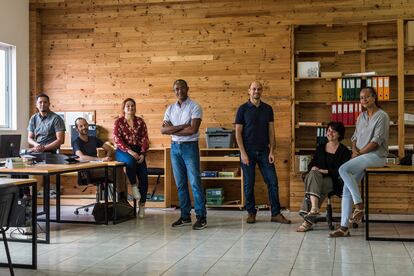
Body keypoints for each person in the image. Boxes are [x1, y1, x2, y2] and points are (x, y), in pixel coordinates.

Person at [330, 87, 389, 237]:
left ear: (374, 97)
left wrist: (359, 154)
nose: (363, 100)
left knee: (343, 170)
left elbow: (376, 142)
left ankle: (359, 205)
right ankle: (344, 228)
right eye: (361, 98)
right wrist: (355, 151)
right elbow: (355, 138)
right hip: (361, 157)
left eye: (367, 97)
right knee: (346, 189)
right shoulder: (360, 116)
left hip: (376, 157)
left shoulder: (382, 116)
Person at [234, 80, 291, 224]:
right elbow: (238, 133)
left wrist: (272, 151)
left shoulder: (268, 109)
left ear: (262, 91)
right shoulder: (242, 109)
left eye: (259, 89)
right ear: (249, 90)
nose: (256, 91)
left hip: (265, 151)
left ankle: (276, 214)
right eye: (253, 89)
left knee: (273, 181)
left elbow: (271, 132)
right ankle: (251, 213)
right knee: (249, 183)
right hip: (248, 152)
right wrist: (243, 153)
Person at [161, 79, 207, 230]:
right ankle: (185, 216)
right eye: (176, 89)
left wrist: (172, 129)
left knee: (194, 182)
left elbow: (192, 130)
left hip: (190, 148)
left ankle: (201, 217)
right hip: (175, 148)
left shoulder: (195, 107)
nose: (179, 91)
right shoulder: (170, 109)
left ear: (187, 88)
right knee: (181, 184)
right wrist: (181, 126)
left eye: (181, 88)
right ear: (174, 91)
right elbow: (163, 130)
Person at [296, 121, 351, 232]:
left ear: (339, 134)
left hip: (334, 180)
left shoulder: (344, 151)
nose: (330, 133)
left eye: (333, 131)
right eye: (328, 130)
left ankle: (308, 219)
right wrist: (313, 168)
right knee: (313, 174)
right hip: (317, 177)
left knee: (318, 186)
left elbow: (341, 170)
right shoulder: (321, 147)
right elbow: (312, 163)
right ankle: (313, 209)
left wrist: (325, 171)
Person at [72, 117, 128, 203]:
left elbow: (110, 149)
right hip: (86, 171)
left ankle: (121, 199)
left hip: (98, 168)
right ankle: (121, 200)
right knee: (115, 172)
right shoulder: (76, 142)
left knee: (120, 170)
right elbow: (82, 157)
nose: (84, 127)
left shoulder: (94, 139)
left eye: (85, 125)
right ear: (77, 129)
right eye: (81, 126)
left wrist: (108, 157)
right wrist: (101, 159)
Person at [113, 98, 149, 219]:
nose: (130, 108)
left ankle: (142, 206)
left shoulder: (140, 121)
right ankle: (133, 186)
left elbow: (145, 139)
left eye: (132, 106)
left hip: (139, 151)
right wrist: (130, 151)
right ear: (124, 108)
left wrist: (143, 153)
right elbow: (117, 139)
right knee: (130, 161)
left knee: (144, 177)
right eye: (128, 106)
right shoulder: (119, 122)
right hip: (123, 150)